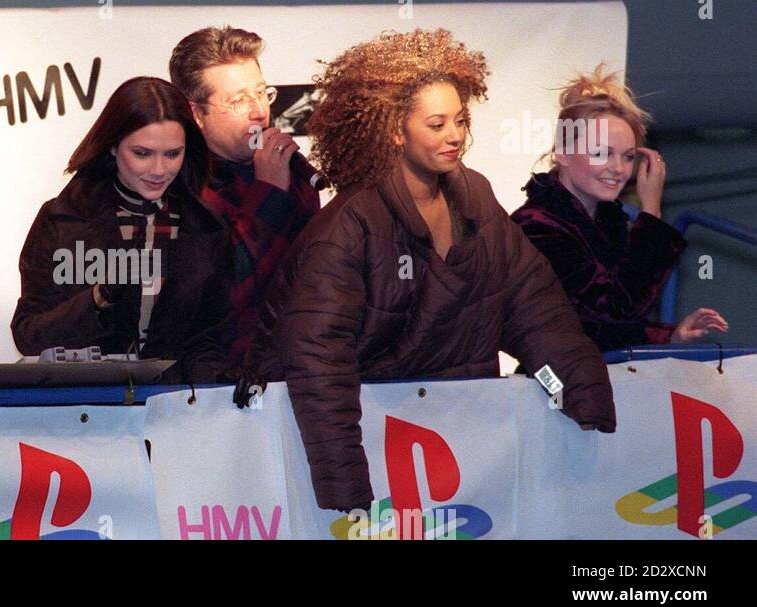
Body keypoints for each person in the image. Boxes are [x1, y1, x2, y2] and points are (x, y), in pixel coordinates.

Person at [245, 29, 616, 511]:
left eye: (460, 120)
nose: (455, 136)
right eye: (437, 124)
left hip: (460, 454)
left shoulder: (477, 199)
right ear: (394, 130)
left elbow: (533, 309)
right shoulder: (347, 228)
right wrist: (346, 485)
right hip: (366, 461)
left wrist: (578, 393)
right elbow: (318, 360)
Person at [10, 77, 231, 383]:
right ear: (113, 147)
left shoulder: (207, 228)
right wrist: (99, 296)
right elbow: (29, 336)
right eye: (142, 153)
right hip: (87, 409)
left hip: (174, 412)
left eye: (172, 154)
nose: (159, 170)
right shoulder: (61, 219)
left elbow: (209, 341)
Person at [512, 66, 727, 352]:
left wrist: (671, 336)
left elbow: (605, 326)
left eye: (627, 157)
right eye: (602, 153)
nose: (618, 169)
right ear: (562, 153)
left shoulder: (606, 223)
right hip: (552, 388)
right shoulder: (535, 226)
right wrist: (651, 213)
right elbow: (614, 308)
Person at [168, 26, 321, 365]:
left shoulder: (293, 174)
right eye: (238, 101)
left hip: (296, 372)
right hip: (216, 386)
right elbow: (219, 298)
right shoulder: (178, 188)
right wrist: (269, 194)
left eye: (261, 93)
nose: (258, 111)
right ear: (196, 114)